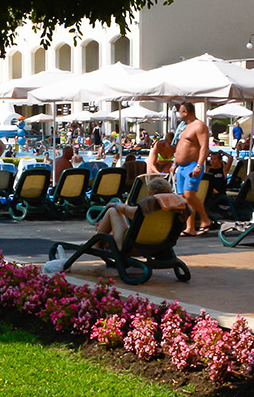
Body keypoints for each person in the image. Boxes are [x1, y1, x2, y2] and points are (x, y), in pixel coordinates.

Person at [52, 173, 190, 277]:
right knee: (116, 213)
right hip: (158, 246)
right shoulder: (174, 208)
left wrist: (115, 204)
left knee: (113, 211)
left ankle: (97, 241)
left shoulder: (149, 206)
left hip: (132, 246)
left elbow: (127, 211)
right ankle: (100, 237)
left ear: (152, 193)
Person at [173, 104, 212, 235]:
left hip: (192, 165)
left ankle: (205, 220)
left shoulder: (199, 126)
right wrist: (174, 163)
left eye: (180, 112)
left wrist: (199, 165)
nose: (179, 115)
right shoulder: (184, 127)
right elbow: (180, 146)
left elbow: (204, 147)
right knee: (184, 197)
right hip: (181, 167)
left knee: (189, 195)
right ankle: (190, 228)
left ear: (186, 112)